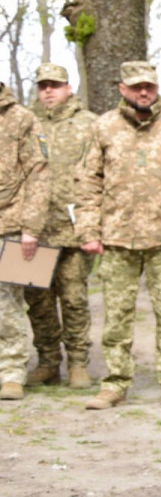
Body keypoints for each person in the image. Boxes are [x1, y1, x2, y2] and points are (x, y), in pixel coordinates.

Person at [75, 61, 161, 413]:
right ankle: (115, 384)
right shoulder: (103, 128)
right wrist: (89, 230)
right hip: (117, 239)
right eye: (136, 87)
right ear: (122, 88)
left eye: (149, 85)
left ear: (157, 86)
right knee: (116, 317)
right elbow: (87, 182)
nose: (143, 92)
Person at [23, 63, 97, 389]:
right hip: (31, 229)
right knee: (37, 301)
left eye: (55, 85)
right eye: (43, 86)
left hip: (74, 228)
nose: (48, 91)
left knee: (74, 298)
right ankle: (48, 362)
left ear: (68, 88)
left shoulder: (89, 124)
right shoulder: (24, 124)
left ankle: (78, 362)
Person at [0, 81, 49, 401]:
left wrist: (31, 227)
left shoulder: (22, 118)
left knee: (8, 304)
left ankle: (11, 372)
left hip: (11, 224)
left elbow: (39, 172)